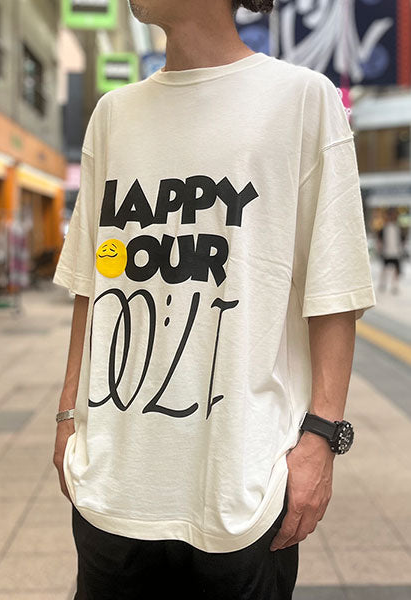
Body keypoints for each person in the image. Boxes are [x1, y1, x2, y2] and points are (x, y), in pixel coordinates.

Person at [52, 1, 376, 598]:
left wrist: (321, 441)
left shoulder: (303, 100)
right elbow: (90, 281)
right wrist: (68, 417)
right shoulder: (113, 115)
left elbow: (334, 291)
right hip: (113, 484)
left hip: (241, 484)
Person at [377, 207, 406, 294]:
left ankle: (395, 285)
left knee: (396, 270)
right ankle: (383, 284)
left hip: (396, 252)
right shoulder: (384, 228)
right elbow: (379, 240)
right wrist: (380, 248)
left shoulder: (398, 228)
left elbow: (402, 240)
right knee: (384, 269)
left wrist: (401, 249)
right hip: (386, 252)